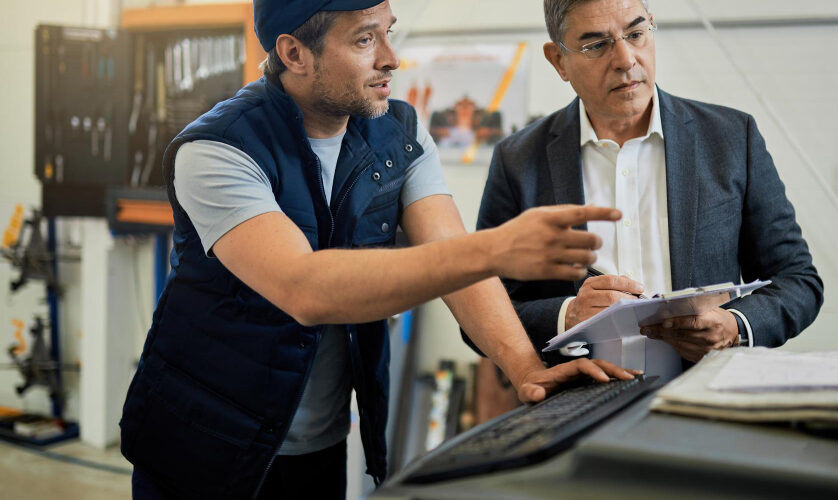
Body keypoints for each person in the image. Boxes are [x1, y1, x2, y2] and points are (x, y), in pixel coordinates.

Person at [119, 1, 637, 498]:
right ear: (294, 53)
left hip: (319, 448)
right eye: (365, 40)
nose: (392, 58)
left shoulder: (400, 136)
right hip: (202, 445)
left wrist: (526, 368)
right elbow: (304, 288)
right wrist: (496, 248)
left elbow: (453, 255)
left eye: (388, 32)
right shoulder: (218, 149)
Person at [473, 0, 823, 369]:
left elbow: (797, 281)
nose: (626, 60)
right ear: (559, 60)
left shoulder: (732, 138)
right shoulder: (518, 161)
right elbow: (480, 311)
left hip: (702, 391)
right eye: (597, 45)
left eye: (636, 34)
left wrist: (735, 326)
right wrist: (567, 315)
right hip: (577, 397)